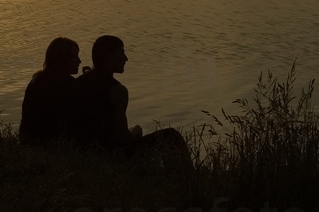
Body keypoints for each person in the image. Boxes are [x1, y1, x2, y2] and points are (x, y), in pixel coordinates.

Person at [69, 35, 192, 166]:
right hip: (111, 154)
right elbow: (123, 139)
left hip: (83, 150)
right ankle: (185, 178)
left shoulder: (78, 82)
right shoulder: (118, 90)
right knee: (171, 135)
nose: (126, 58)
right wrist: (135, 131)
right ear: (109, 57)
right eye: (121, 54)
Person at [19, 36, 81, 145]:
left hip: (28, 140)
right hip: (53, 144)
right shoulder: (68, 84)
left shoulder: (37, 79)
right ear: (63, 60)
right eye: (75, 57)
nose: (79, 61)